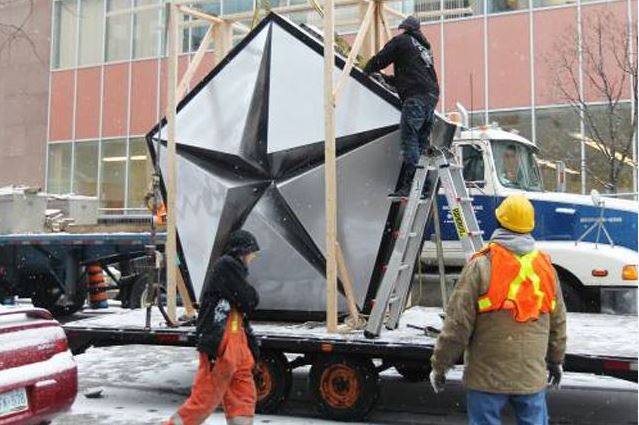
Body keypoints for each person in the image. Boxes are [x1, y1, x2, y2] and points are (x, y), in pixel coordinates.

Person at [429, 194, 567, 425]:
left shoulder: (480, 266)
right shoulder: (545, 268)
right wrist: (555, 360)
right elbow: (558, 320)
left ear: (499, 222)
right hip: (530, 376)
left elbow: (457, 325)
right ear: (530, 226)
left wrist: (440, 366)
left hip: (486, 377)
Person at [164, 230, 261, 425]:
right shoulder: (227, 265)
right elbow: (249, 300)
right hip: (223, 343)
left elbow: (243, 305)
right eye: (253, 254)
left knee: (243, 397)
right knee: (204, 401)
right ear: (243, 252)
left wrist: (251, 348)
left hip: (235, 342)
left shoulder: (231, 270)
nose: (253, 258)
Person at [363, 15, 440, 197]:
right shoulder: (424, 50)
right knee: (420, 145)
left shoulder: (402, 41)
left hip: (416, 99)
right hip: (431, 99)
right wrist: (386, 79)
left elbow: (381, 59)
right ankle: (425, 186)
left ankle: (412, 184)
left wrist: (366, 69)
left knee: (409, 140)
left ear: (405, 29)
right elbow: (412, 78)